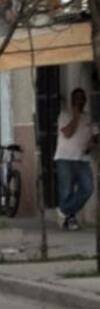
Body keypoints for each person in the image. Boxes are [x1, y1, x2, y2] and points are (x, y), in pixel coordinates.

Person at [55, 88, 96, 231]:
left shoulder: (89, 117)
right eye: (77, 98)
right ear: (72, 100)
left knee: (88, 188)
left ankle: (63, 211)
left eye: (82, 98)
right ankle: (70, 219)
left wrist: (92, 143)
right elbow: (67, 133)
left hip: (83, 159)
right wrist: (76, 117)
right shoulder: (64, 115)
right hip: (65, 158)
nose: (80, 100)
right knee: (66, 192)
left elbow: (95, 136)